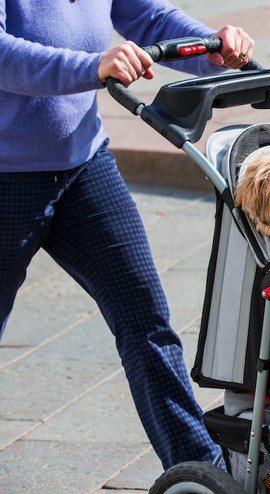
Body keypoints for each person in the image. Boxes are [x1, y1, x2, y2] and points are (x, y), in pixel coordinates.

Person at [0, 0, 254, 469]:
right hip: (6, 177)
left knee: (146, 321)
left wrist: (211, 46)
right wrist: (91, 67)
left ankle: (197, 471)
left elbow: (151, 17)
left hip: (83, 168)